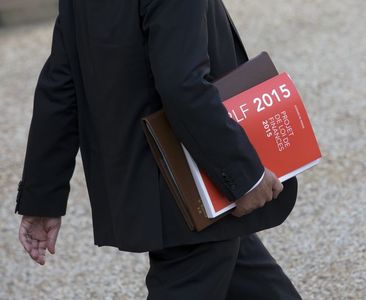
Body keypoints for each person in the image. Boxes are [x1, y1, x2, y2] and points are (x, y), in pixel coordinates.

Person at [15, 0, 302, 299]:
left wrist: (42, 197)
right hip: (192, 184)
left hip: (158, 184)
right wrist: (245, 178)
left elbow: (61, 83)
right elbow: (184, 87)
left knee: (256, 282)